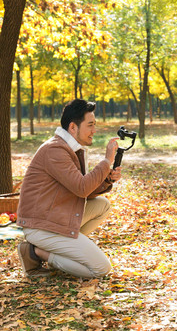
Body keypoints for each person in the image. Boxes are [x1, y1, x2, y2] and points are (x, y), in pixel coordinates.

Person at [17, 99, 121, 279]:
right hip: (41, 226)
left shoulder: (70, 148)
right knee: (101, 269)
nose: (94, 130)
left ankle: (65, 249)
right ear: (73, 127)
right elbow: (81, 188)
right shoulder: (55, 150)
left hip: (57, 217)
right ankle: (37, 252)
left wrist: (106, 180)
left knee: (102, 205)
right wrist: (106, 161)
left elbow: (83, 189)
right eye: (90, 125)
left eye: (94, 125)